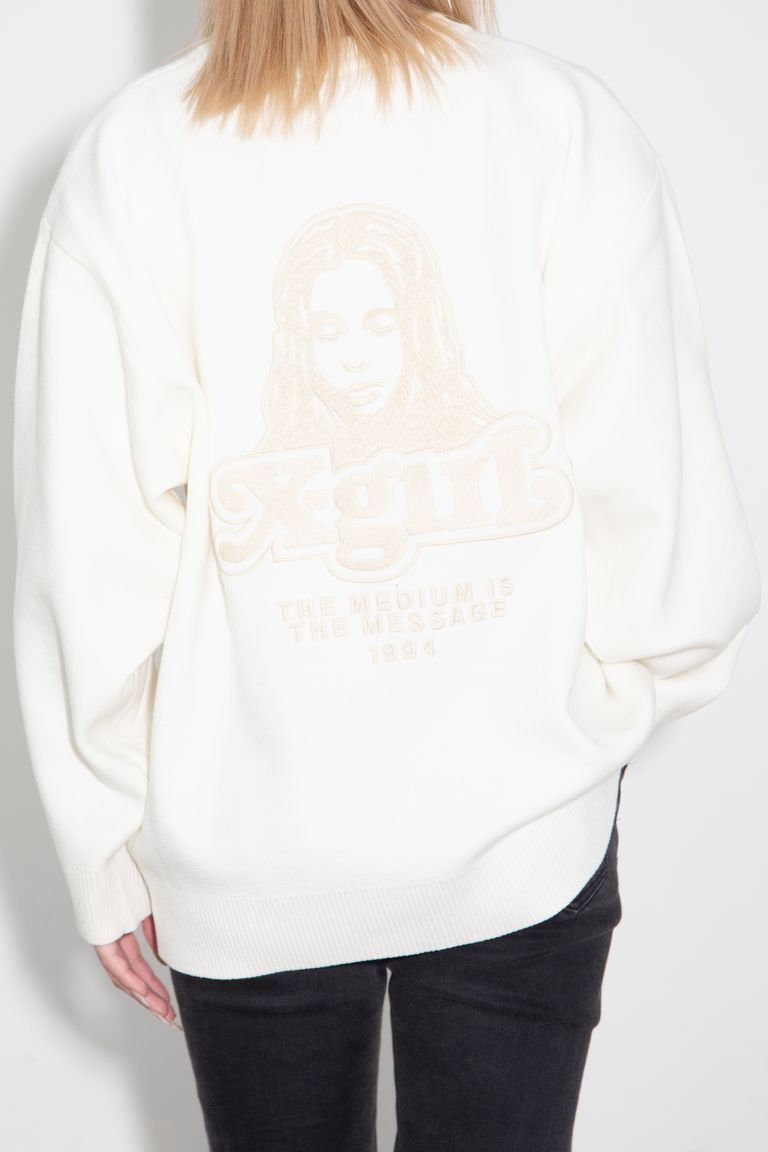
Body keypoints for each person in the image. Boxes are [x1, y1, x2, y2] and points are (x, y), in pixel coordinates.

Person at [11, 2, 761, 1149]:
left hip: (247, 849)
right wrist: (608, 707)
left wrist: (102, 836)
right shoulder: (556, 120)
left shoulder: (141, 151)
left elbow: (92, 545)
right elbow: (654, 487)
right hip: (525, 836)